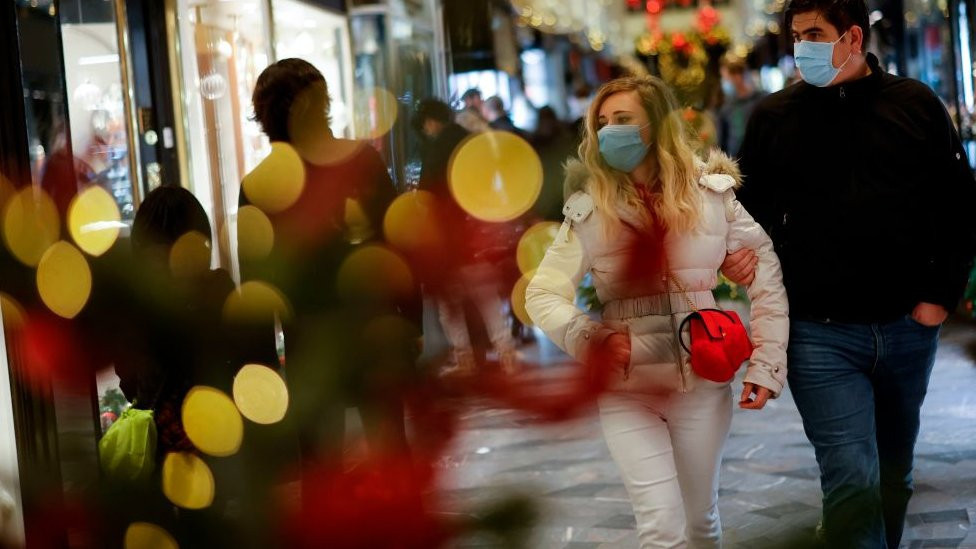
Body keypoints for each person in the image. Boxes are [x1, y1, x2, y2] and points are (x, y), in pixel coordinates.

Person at [725, 0, 976, 546]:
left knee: (892, 475)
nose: (801, 49)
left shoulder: (914, 104)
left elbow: (959, 207)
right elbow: (744, 217)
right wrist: (734, 256)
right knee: (850, 479)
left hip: (908, 326)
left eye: (814, 33)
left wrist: (938, 299)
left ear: (853, 37)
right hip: (819, 334)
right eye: (795, 35)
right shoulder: (774, 118)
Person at [525, 75, 789, 548]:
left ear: (656, 126)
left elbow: (765, 270)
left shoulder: (712, 194)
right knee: (660, 528)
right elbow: (541, 293)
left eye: (623, 120)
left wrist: (767, 363)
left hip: (703, 380)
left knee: (700, 521)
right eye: (602, 123)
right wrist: (591, 338)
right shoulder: (590, 207)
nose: (610, 132)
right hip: (628, 389)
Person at [242, 59, 412, 474]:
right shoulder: (360, 162)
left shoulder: (259, 186)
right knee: (389, 451)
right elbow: (399, 245)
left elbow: (258, 283)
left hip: (308, 337)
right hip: (371, 327)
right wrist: (412, 320)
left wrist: (263, 361)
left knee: (321, 464)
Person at [412, 98, 518, 374]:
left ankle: (464, 359)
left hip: (448, 237)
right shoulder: (471, 142)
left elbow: (426, 197)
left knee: (451, 306)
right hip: (478, 231)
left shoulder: (435, 149)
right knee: (486, 296)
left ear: (429, 123)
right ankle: (506, 353)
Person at [716, 56, 765, 156]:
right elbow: (722, 142)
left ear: (737, 76)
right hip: (735, 163)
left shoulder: (761, 100)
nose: (724, 83)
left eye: (726, 78)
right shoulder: (726, 107)